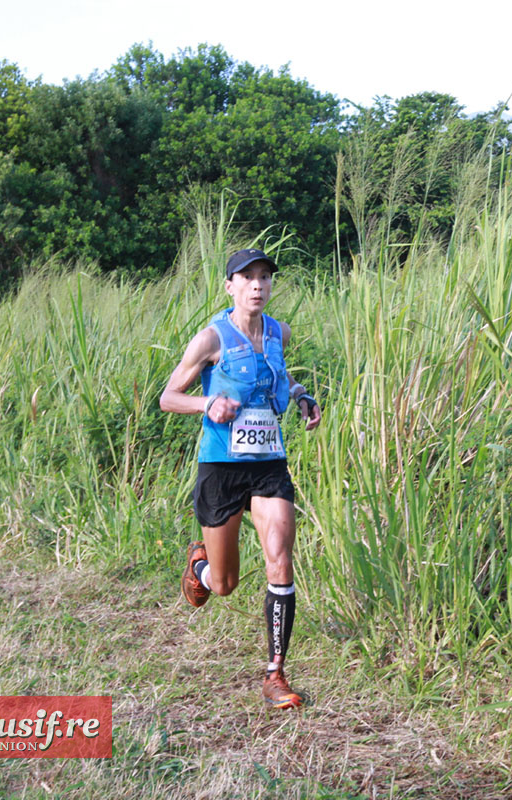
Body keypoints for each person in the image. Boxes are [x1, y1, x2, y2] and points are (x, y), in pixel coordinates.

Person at [159, 248, 321, 710]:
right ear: (229, 286)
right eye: (246, 277)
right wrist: (206, 404)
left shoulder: (278, 333)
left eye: (264, 277)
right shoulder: (211, 339)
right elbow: (169, 397)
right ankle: (202, 569)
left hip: (269, 463)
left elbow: (279, 382)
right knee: (225, 583)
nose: (257, 285)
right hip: (221, 468)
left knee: (280, 560)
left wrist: (303, 397)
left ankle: (275, 674)